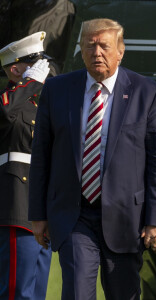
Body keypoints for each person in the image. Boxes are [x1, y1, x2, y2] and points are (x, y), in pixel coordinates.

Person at [28, 18, 156, 300]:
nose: (97, 53)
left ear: (120, 51)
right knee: (78, 292)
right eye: (89, 46)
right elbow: (41, 155)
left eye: (104, 46)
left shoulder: (146, 93)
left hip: (127, 218)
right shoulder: (57, 90)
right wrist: (38, 215)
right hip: (74, 215)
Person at [0, 32, 52, 300]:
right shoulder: (10, 100)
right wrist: (29, 82)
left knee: (37, 291)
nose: (43, 67)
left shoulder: (38, 105)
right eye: (34, 61)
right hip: (17, 206)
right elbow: (6, 114)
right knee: (17, 291)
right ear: (15, 68)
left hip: (43, 209)